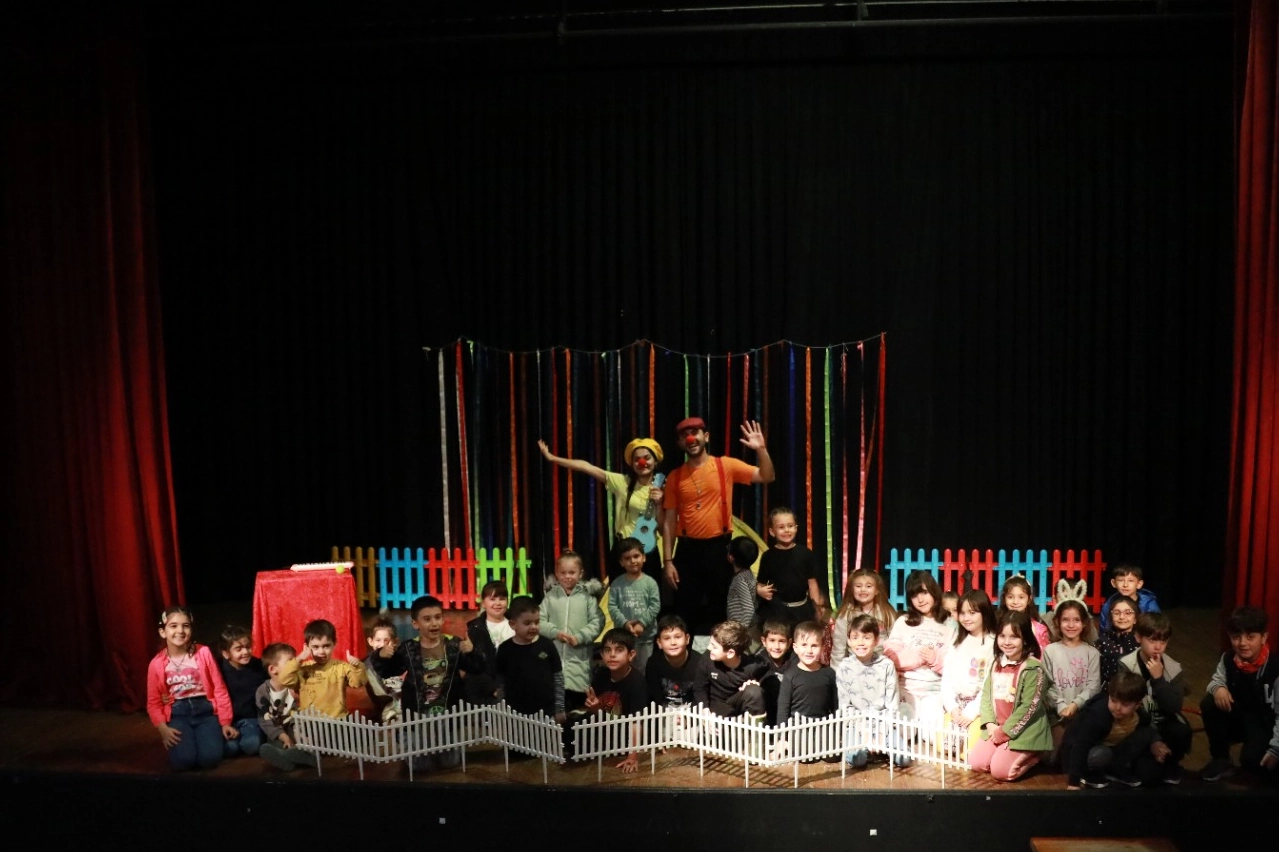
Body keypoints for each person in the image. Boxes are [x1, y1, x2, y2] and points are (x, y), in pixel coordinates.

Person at [661, 417, 775, 642]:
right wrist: (668, 561)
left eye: (695, 433)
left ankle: (721, 657)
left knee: (721, 609)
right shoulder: (675, 477)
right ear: (681, 443)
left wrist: (761, 449)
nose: (691, 439)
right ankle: (685, 658)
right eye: (685, 435)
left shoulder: (726, 466)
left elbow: (767, 476)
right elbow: (669, 522)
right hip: (687, 551)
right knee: (685, 611)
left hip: (718, 549)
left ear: (706, 436)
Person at [538, 437, 665, 582]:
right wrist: (552, 458)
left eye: (647, 458)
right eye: (637, 459)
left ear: (655, 461)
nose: (642, 463)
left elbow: (664, 529)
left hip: (647, 553)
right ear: (632, 464)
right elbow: (586, 467)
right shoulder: (623, 482)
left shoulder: (664, 487)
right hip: (623, 550)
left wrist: (659, 504)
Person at [146, 606, 236, 771]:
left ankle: (216, 741)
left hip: (205, 711)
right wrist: (163, 728)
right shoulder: (156, 664)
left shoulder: (203, 652)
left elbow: (219, 688)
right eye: (173, 626)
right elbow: (153, 702)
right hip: (178, 713)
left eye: (185, 626)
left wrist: (225, 722)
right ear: (163, 632)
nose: (180, 631)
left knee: (210, 760)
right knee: (183, 762)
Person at [968, 611, 1053, 782]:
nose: (1007, 642)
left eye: (1014, 637)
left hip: (1023, 731)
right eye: (1002, 636)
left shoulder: (1033, 668)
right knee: (976, 763)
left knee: (1000, 772)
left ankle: (1034, 754)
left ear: (1025, 639)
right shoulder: (996, 663)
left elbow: (1029, 708)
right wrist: (990, 724)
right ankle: (1003, 751)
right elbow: (986, 696)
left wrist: (1004, 732)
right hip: (997, 728)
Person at [1200, 606, 1279, 782]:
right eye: (1236, 637)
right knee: (1209, 703)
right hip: (1242, 716)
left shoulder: (1275, 668)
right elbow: (1215, 680)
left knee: (1253, 762)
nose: (1242, 643)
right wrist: (1218, 688)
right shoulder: (1229, 658)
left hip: (1266, 723)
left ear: (1264, 637)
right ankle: (1221, 759)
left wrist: (1276, 749)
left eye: (1250, 637)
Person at [1060, 670, 1166, 789]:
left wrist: (1156, 741)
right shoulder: (1098, 715)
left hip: (1111, 747)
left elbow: (1148, 726)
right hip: (1081, 754)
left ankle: (1113, 770)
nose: (1117, 708)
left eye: (1125, 704)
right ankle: (1088, 774)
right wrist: (1073, 782)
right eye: (1113, 700)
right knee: (1101, 754)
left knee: (1144, 736)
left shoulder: (1139, 715)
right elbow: (1080, 746)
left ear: (1137, 705)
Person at [1118, 612, 1192, 784]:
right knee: (1148, 775)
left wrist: (1159, 679)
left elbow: (1173, 707)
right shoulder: (1127, 665)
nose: (1158, 647)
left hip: (1163, 722)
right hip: (1138, 725)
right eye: (1152, 640)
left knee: (1180, 731)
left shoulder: (1173, 668)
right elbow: (1130, 707)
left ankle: (1171, 762)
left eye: (1163, 641)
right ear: (1138, 637)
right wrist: (1154, 739)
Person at [884, 570, 957, 728]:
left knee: (930, 734)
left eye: (924, 592)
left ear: (934, 591)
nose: (920, 599)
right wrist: (918, 657)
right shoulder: (903, 621)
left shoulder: (949, 624)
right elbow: (890, 654)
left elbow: (955, 663)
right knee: (904, 731)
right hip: (906, 689)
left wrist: (935, 659)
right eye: (914, 595)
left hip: (935, 691)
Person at [837, 613, 910, 768]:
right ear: (849, 640)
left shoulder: (887, 665)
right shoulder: (844, 667)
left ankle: (882, 749)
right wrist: (864, 732)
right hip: (857, 726)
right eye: (855, 637)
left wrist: (882, 732)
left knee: (904, 759)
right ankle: (868, 750)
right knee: (857, 759)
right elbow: (845, 706)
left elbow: (892, 704)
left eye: (866, 637)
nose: (860, 642)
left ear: (876, 640)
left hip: (883, 723)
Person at [539, 550, 604, 711]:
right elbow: (538, 620)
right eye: (563, 573)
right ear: (557, 573)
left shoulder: (587, 597)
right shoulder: (550, 597)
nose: (567, 576)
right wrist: (555, 633)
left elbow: (598, 621)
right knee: (555, 706)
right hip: (554, 659)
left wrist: (580, 637)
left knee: (578, 707)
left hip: (579, 661)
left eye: (572, 572)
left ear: (580, 573)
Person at [583, 628, 650, 772]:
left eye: (619, 650)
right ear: (602, 654)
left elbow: (636, 722)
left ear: (631, 655)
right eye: (607, 650)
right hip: (605, 726)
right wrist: (594, 707)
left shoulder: (637, 682)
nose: (612, 655)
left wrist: (632, 756)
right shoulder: (601, 674)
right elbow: (599, 714)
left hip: (624, 732)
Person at [772, 620, 839, 762]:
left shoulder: (829, 673)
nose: (809, 650)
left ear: (822, 648)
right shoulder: (790, 676)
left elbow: (835, 706)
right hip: (799, 726)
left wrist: (836, 730)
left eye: (814, 646)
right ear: (795, 647)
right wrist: (781, 739)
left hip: (822, 724)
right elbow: (783, 709)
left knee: (833, 756)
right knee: (806, 758)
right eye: (804, 645)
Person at [1043, 600, 1101, 761]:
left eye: (1076, 620)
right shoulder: (1050, 650)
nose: (1071, 625)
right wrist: (1061, 705)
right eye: (1065, 620)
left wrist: (1076, 704)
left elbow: (1093, 685)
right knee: (1053, 759)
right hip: (1057, 714)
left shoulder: (1092, 653)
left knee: (1076, 756)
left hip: (1082, 713)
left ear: (1084, 623)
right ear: (1057, 622)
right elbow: (1047, 684)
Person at [278, 618, 368, 720]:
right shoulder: (303, 669)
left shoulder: (342, 667)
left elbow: (358, 683)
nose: (321, 652)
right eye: (315, 647)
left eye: (326, 646)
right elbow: (284, 680)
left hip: (337, 720)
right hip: (310, 721)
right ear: (307, 647)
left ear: (334, 643)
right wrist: (299, 659)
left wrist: (357, 666)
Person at [495, 596, 565, 721]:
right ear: (513, 624)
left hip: (547, 713)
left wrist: (559, 709)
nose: (533, 627)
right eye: (527, 623)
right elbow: (500, 682)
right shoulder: (505, 649)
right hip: (514, 714)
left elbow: (558, 678)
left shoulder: (547, 645)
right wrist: (501, 707)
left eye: (537, 622)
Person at [755, 507, 827, 629]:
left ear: (796, 528)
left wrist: (817, 607)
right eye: (781, 527)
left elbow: (812, 583)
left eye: (790, 526)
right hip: (777, 611)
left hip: (802, 610)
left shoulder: (805, 554)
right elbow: (761, 583)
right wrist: (760, 590)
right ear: (772, 531)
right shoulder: (768, 556)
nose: (787, 530)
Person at [940, 590, 997, 736]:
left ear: (984, 612)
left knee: (970, 745)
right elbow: (947, 677)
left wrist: (972, 711)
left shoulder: (993, 643)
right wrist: (952, 706)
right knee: (943, 742)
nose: (966, 618)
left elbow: (990, 685)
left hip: (979, 706)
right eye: (962, 613)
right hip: (956, 706)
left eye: (972, 613)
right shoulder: (957, 641)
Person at [255, 643, 318, 772]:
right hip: (277, 731)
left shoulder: (296, 685)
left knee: (305, 739)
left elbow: (301, 710)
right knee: (275, 744)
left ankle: (309, 756)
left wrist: (298, 731)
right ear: (273, 669)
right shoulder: (263, 691)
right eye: (290, 662)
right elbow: (265, 720)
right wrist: (283, 736)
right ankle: (285, 759)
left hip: (296, 727)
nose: (294, 665)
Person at [692, 620, 769, 721]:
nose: (709, 648)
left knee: (754, 691)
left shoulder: (750, 666)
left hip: (736, 704)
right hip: (715, 705)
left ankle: (756, 728)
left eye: (714, 646)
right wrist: (704, 710)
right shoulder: (708, 658)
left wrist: (757, 681)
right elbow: (699, 687)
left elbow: (767, 668)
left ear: (730, 653)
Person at [608, 537, 662, 672]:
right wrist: (625, 623)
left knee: (643, 670)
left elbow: (655, 606)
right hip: (623, 638)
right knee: (624, 670)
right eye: (627, 558)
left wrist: (642, 624)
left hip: (645, 638)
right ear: (621, 562)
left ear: (644, 557)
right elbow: (612, 607)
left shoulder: (650, 583)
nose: (632, 561)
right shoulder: (617, 584)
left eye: (636, 556)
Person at [216, 624, 267, 758]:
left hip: (251, 718)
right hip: (227, 721)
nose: (245, 652)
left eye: (248, 647)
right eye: (238, 649)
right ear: (226, 653)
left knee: (252, 745)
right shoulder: (218, 669)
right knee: (230, 749)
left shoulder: (259, 666)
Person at [830, 569, 898, 667]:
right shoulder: (845, 614)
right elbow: (838, 648)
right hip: (854, 665)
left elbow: (895, 643)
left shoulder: (886, 613)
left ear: (877, 590)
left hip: (881, 664)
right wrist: (837, 673)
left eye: (868, 586)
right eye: (858, 586)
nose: (863, 590)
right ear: (852, 589)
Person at [464, 580, 514, 705]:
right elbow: (472, 667)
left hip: (511, 688)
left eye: (502, 599)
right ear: (483, 603)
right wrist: (492, 688)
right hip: (484, 694)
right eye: (492, 599)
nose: (497, 603)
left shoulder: (516, 625)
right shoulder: (474, 629)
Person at [646, 614, 705, 709]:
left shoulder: (699, 662)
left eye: (677, 637)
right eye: (667, 638)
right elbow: (654, 697)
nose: (673, 643)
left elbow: (701, 695)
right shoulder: (654, 663)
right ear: (659, 643)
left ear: (687, 639)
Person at [1098, 564, 1161, 632]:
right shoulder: (1109, 605)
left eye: (1131, 581)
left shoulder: (1148, 605)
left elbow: (1156, 628)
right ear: (1114, 583)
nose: (1125, 585)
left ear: (1139, 584)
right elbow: (1104, 628)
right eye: (1121, 580)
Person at [758, 618, 796, 725]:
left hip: (791, 713)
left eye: (781, 641)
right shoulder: (759, 661)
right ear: (764, 641)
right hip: (768, 713)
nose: (777, 647)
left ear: (789, 643)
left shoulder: (794, 658)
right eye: (772, 640)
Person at [1096, 596, 1140, 689]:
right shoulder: (1102, 641)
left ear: (1135, 618)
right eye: (1117, 613)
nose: (1122, 617)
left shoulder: (1141, 642)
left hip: (1135, 691)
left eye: (1127, 613)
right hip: (1108, 691)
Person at [997, 576, 1050, 650]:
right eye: (1010, 597)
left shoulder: (1039, 629)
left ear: (1029, 599)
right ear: (1004, 598)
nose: (1015, 602)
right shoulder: (996, 624)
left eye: (1021, 597)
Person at [725, 536, 760, 631]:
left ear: (731, 557)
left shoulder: (739, 580)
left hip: (740, 628)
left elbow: (748, 609)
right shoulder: (748, 573)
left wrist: (741, 631)